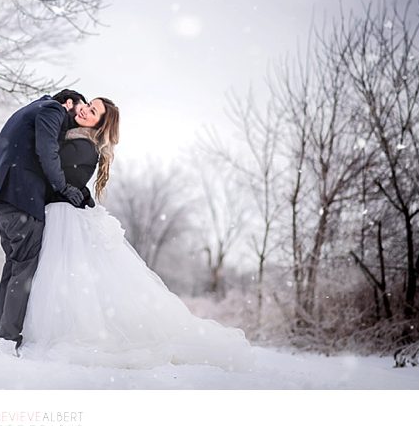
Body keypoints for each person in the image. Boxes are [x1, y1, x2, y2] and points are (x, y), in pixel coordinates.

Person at [22, 97, 255, 371]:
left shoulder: (83, 146)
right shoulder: (77, 138)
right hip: (58, 214)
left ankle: (72, 334)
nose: (84, 109)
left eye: (93, 111)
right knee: (63, 279)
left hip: (64, 219)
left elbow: (55, 168)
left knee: (66, 279)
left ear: (100, 124)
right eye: (88, 104)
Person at [0, 89, 93, 354]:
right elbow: (47, 150)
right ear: (69, 102)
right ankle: (8, 339)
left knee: (13, 267)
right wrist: (64, 187)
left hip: (2, 198)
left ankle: (2, 336)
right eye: (82, 107)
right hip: (22, 199)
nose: (81, 113)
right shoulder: (52, 110)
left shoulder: (28, 111)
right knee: (24, 270)